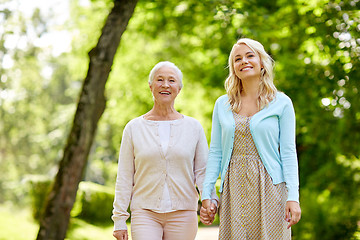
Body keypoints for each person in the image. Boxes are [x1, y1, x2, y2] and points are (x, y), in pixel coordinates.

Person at [200, 38, 301, 239]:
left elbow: (288, 153)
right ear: (233, 68)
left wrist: (293, 197)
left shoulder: (281, 103)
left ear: (262, 62)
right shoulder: (222, 104)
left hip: (271, 189)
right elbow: (216, 152)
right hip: (233, 190)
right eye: (237, 59)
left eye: (249, 55)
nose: (243, 61)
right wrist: (207, 192)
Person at [112, 61, 218, 240]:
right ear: (151, 86)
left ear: (179, 88)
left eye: (172, 80)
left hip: (183, 213)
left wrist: (210, 200)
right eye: (160, 80)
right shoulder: (133, 128)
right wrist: (119, 219)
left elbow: (202, 172)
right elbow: (124, 176)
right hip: (145, 212)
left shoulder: (193, 127)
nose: (165, 85)